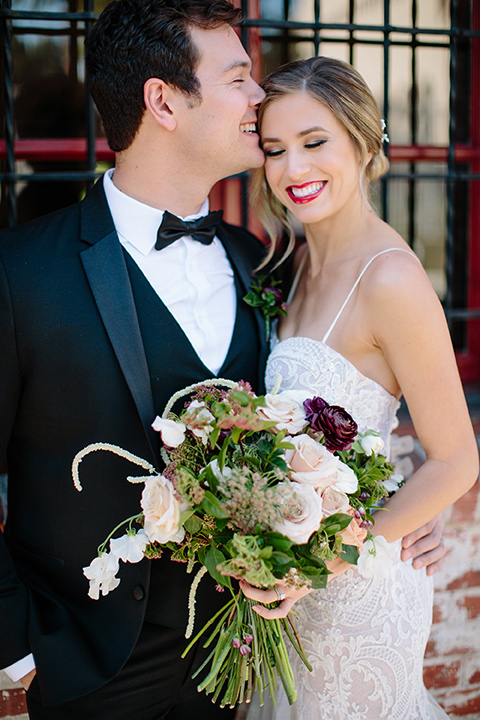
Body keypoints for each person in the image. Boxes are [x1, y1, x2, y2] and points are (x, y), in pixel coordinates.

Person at [0, 3, 446, 717]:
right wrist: (17, 648)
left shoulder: (262, 265)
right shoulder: (21, 273)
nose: (258, 98)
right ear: (164, 100)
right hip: (91, 663)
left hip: (257, 651)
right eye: (240, 77)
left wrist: (400, 508)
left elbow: (343, 407)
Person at [240, 57, 479, 720]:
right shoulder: (292, 265)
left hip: (357, 593)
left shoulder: (391, 280)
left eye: (315, 143)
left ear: (363, 139)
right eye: (275, 150)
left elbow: (457, 458)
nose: (294, 170)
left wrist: (329, 557)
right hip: (290, 589)